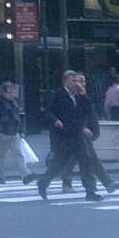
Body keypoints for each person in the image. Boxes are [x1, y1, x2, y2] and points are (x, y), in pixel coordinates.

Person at [33, 70, 103, 202]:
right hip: (65, 135)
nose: (76, 83)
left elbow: (88, 110)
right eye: (73, 81)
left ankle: (90, 191)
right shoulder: (58, 95)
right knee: (57, 163)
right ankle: (43, 182)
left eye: (77, 81)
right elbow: (48, 112)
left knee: (86, 162)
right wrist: (55, 120)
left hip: (78, 134)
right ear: (65, 81)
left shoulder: (79, 96)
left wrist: (84, 95)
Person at [58, 74, 119, 195]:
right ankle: (105, 183)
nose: (82, 83)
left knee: (78, 158)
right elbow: (69, 117)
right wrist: (82, 128)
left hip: (84, 133)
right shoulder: (72, 98)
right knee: (87, 158)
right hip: (77, 134)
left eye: (83, 81)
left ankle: (105, 183)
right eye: (79, 81)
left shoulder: (83, 96)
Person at [0, 81, 30, 184]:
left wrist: (20, 130)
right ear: (5, 92)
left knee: (17, 155)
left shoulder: (13, 102)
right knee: (0, 156)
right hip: (2, 133)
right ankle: (0, 177)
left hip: (12, 132)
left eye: (13, 89)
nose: (12, 91)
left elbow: (17, 118)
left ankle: (25, 176)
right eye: (10, 89)